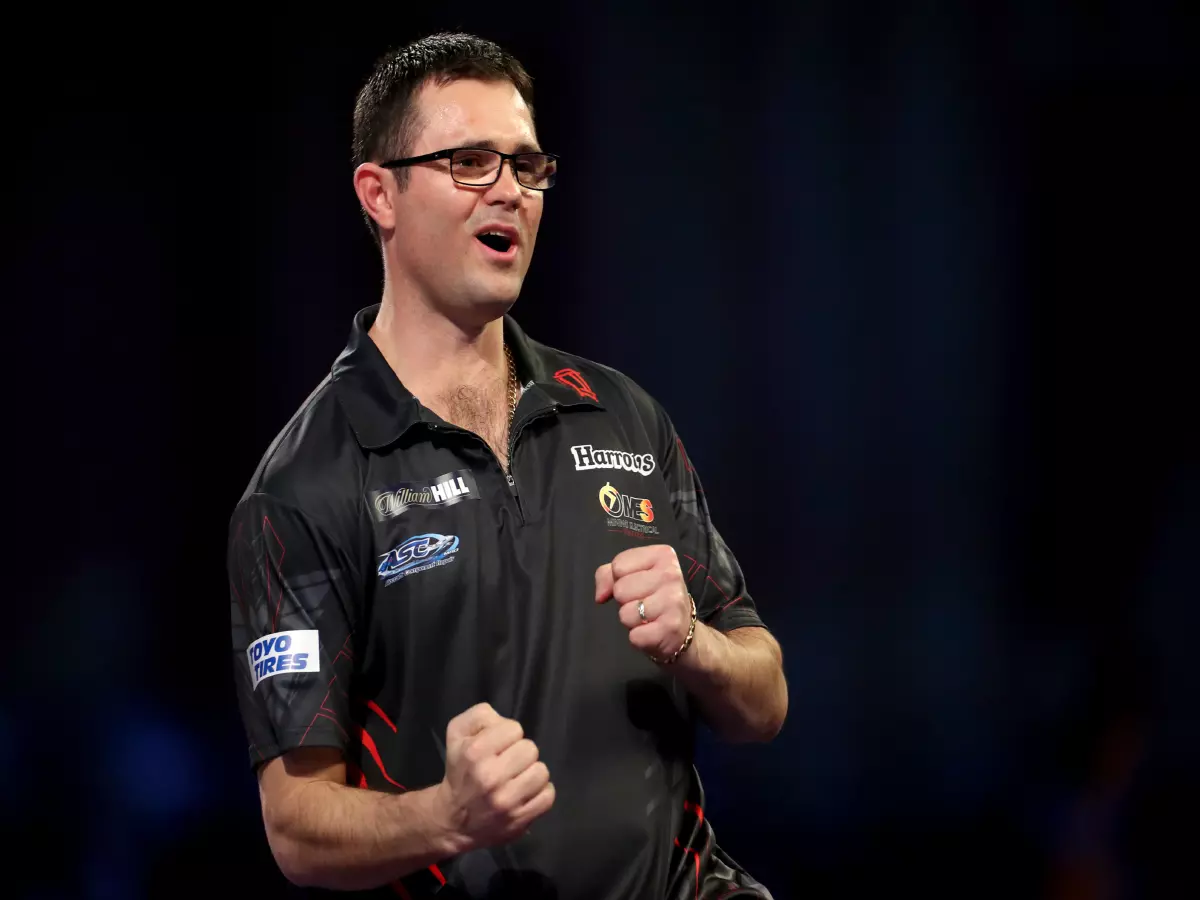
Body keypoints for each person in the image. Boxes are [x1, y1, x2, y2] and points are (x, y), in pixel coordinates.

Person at [227, 32, 787, 900]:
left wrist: (694, 644)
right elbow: (297, 827)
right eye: (469, 162)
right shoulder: (304, 486)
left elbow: (764, 701)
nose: (510, 191)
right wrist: (446, 815)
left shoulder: (622, 414)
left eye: (526, 166)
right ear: (379, 193)